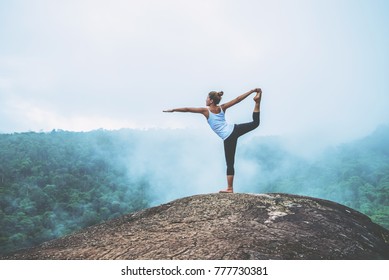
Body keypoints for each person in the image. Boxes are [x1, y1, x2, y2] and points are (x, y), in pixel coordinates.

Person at [163, 88, 262, 193]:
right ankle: (257, 102)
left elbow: (187, 109)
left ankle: (229, 188)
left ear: (211, 101)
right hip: (235, 129)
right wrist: (251, 91)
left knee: (230, 163)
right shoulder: (222, 108)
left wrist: (173, 110)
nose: (205, 100)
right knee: (255, 123)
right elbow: (237, 99)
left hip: (228, 137)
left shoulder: (205, 111)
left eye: (207, 98)